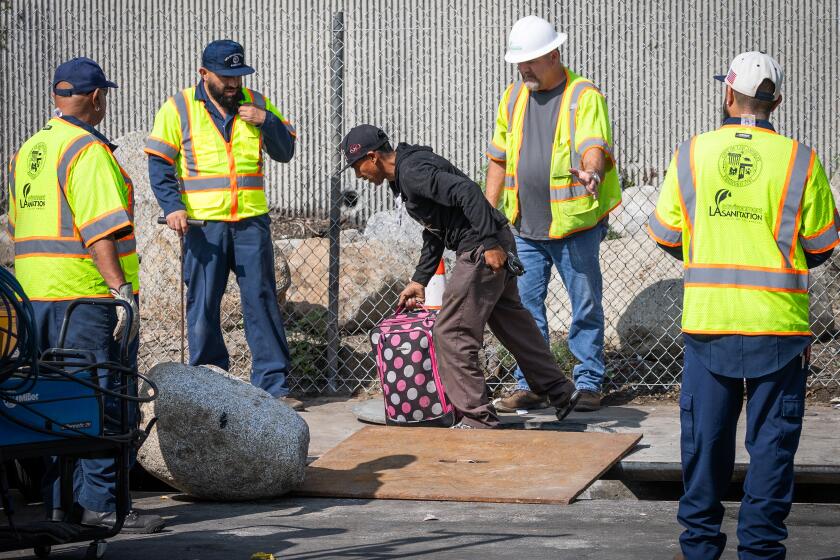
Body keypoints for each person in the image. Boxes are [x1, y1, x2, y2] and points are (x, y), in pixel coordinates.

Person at [648, 52, 839, 560]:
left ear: (728, 94)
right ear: (777, 102)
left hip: (709, 324)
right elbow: (822, 245)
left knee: (705, 446)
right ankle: (760, 551)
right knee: (772, 449)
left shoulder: (692, 153)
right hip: (778, 328)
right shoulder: (801, 160)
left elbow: (666, 235)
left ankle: (699, 548)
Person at [6, 57, 164, 533]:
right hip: (85, 299)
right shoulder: (87, 151)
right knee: (100, 401)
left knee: (54, 405)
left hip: (34, 300)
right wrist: (121, 291)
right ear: (97, 97)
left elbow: (18, 223)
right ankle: (102, 508)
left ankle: (59, 507)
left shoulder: (29, 149)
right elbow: (100, 232)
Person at [339, 124, 579, 428]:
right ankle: (559, 391)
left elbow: (468, 192)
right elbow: (437, 228)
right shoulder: (405, 173)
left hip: (481, 247)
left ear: (372, 157)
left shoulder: (412, 172)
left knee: (451, 332)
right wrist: (419, 280)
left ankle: (477, 419)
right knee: (511, 323)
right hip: (489, 241)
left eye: (356, 166)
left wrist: (490, 244)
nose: (358, 174)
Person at [145, 40, 303, 410]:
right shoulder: (178, 107)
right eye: (225, 77)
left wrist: (267, 122)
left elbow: (285, 151)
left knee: (261, 301)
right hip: (203, 226)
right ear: (204, 74)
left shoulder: (258, 103)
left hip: (250, 223)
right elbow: (159, 163)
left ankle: (273, 387)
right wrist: (172, 206)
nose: (233, 84)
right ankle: (210, 386)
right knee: (203, 304)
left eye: (238, 76)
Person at [485, 16, 622, 413]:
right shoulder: (513, 97)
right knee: (525, 310)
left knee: (585, 305)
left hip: (574, 226)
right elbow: (498, 158)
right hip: (525, 227)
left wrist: (592, 172)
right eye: (519, 63)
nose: (523, 69)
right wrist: (488, 216)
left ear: (554, 55)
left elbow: (593, 145)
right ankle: (532, 384)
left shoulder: (583, 95)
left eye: (531, 61)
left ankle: (589, 382)